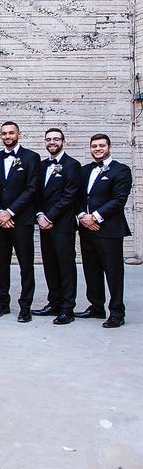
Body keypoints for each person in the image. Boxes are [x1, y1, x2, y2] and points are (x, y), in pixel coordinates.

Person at [0, 121, 41, 322]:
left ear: (19, 134)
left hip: (22, 220)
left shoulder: (31, 158)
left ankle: (25, 305)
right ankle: (3, 302)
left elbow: (31, 188)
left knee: (26, 264)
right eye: (4, 133)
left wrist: (10, 212)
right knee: (2, 263)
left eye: (11, 133)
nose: (7, 136)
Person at [75, 133, 132, 328]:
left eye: (101, 146)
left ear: (109, 147)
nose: (97, 149)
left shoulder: (121, 170)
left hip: (109, 229)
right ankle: (96, 306)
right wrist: (83, 216)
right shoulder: (83, 171)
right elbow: (77, 198)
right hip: (86, 228)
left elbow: (119, 200)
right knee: (91, 269)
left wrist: (95, 217)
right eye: (94, 146)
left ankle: (117, 311)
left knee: (113, 271)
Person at [32, 128, 83, 325]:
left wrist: (50, 216)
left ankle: (67, 308)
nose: (52, 142)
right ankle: (54, 302)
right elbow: (36, 193)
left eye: (56, 139)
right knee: (50, 265)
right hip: (44, 223)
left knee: (66, 265)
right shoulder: (42, 165)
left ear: (64, 142)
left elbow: (70, 195)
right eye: (49, 139)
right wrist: (39, 215)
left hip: (62, 224)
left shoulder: (72, 165)